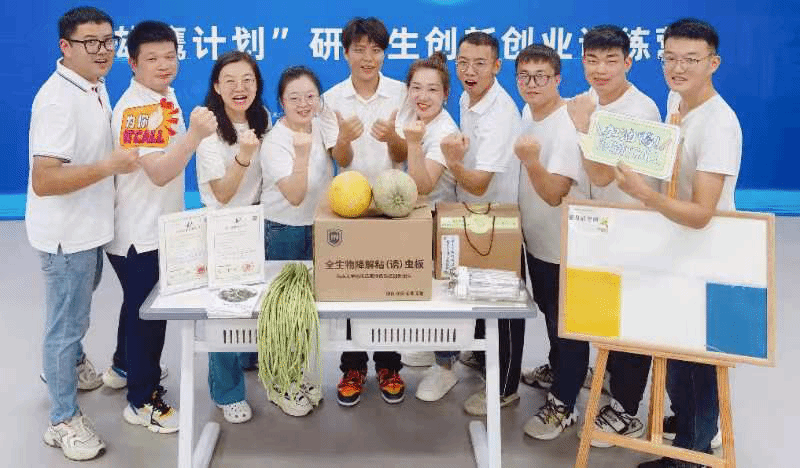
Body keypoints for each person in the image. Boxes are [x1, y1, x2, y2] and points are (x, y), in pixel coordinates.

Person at [525, 24, 661, 446]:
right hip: (589, 235)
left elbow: (603, 176)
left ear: (628, 62)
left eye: (610, 60)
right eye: (592, 60)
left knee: (624, 327)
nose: (600, 69)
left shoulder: (642, 112)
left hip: (630, 236)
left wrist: (584, 126)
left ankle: (625, 410)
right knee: (579, 320)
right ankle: (568, 395)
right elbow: (574, 176)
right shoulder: (583, 102)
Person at [616, 18, 741, 468]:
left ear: (714, 63)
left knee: (695, 360)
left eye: (691, 59)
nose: (678, 68)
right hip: (675, 246)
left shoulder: (718, 124)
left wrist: (644, 194)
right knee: (673, 348)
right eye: (670, 58)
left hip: (706, 253)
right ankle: (687, 421)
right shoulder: (676, 100)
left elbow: (703, 212)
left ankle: (692, 453)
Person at [27, 6, 137, 460]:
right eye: (91, 42)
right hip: (66, 237)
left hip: (89, 231)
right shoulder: (57, 100)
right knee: (66, 326)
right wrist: (109, 166)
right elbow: (44, 179)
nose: (102, 49)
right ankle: (62, 420)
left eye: (108, 40)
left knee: (74, 315)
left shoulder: (93, 85)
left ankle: (69, 366)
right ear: (65, 47)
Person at [107, 20, 217, 434]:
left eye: (170, 56)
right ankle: (142, 400)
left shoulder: (162, 96)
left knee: (136, 305)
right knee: (149, 317)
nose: (164, 65)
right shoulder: (136, 110)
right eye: (152, 58)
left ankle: (123, 367)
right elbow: (159, 173)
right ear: (133, 63)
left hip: (153, 226)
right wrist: (195, 136)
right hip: (140, 233)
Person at [319, 17, 408, 406]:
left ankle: (389, 365)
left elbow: (405, 153)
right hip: (350, 206)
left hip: (392, 204)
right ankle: (352, 368)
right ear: (345, 53)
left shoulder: (401, 93)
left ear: (384, 53)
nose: (367, 58)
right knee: (351, 290)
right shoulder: (332, 99)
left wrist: (393, 138)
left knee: (390, 288)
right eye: (359, 50)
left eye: (375, 49)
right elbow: (339, 159)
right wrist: (344, 139)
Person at [439, 31, 523, 416]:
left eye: (479, 64)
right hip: (472, 215)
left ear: (497, 66)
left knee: (502, 306)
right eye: (463, 63)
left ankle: (505, 388)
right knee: (474, 293)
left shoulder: (500, 113)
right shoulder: (466, 98)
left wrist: (449, 161)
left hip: (497, 218)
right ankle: (478, 354)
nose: (469, 71)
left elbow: (479, 182)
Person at [510, 44, 590, 441]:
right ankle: (559, 372)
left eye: (541, 76)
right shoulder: (529, 113)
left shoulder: (565, 123)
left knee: (568, 327)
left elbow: (555, 192)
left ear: (557, 79)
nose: (532, 84)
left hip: (565, 247)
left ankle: (564, 404)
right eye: (524, 76)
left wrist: (530, 161)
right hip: (537, 241)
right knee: (550, 315)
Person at [197, 50, 271, 424]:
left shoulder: (263, 118)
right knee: (224, 310)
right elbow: (223, 193)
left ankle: (248, 355)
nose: (240, 88)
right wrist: (244, 155)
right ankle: (227, 392)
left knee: (256, 301)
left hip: (258, 221)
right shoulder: (208, 131)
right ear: (216, 87)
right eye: (230, 81)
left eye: (247, 80)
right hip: (222, 226)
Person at [259, 65, 331, 416]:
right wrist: (301, 154)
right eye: (294, 98)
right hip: (284, 229)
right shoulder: (275, 141)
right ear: (281, 102)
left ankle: (299, 375)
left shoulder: (320, 125)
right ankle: (281, 385)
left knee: (308, 310)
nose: (304, 104)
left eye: (310, 96)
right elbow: (295, 195)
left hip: (316, 228)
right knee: (284, 311)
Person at [396, 51, 461, 401]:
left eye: (432, 90)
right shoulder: (412, 116)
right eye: (416, 88)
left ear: (445, 94)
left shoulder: (445, 131)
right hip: (417, 218)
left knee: (442, 293)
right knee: (423, 290)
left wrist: (412, 143)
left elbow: (423, 184)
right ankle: (432, 346)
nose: (423, 96)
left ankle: (446, 366)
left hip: (440, 221)